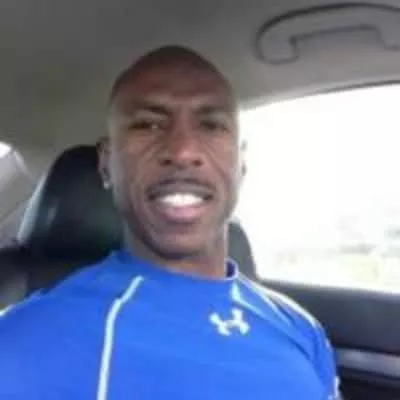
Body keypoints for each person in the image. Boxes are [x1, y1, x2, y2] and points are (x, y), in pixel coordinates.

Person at [0, 46, 340, 399]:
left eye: (211, 125)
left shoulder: (301, 328)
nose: (182, 152)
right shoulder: (26, 341)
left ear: (240, 163)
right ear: (106, 164)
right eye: (149, 125)